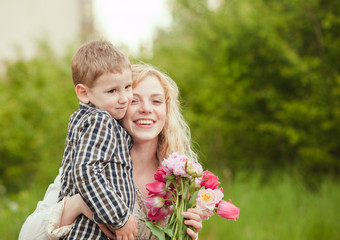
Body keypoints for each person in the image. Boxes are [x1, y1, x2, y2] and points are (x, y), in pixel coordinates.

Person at [19, 63, 203, 240]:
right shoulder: (91, 165)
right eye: (134, 100)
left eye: (156, 101)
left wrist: (187, 234)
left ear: (166, 109)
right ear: (119, 104)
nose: (146, 109)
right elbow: (26, 236)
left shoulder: (179, 178)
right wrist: (78, 204)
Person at [57, 40, 137, 239]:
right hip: (88, 233)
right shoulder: (99, 119)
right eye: (112, 91)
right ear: (84, 93)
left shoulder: (88, 118)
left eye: (127, 87)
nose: (124, 98)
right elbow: (86, 171)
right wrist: (120, 217)